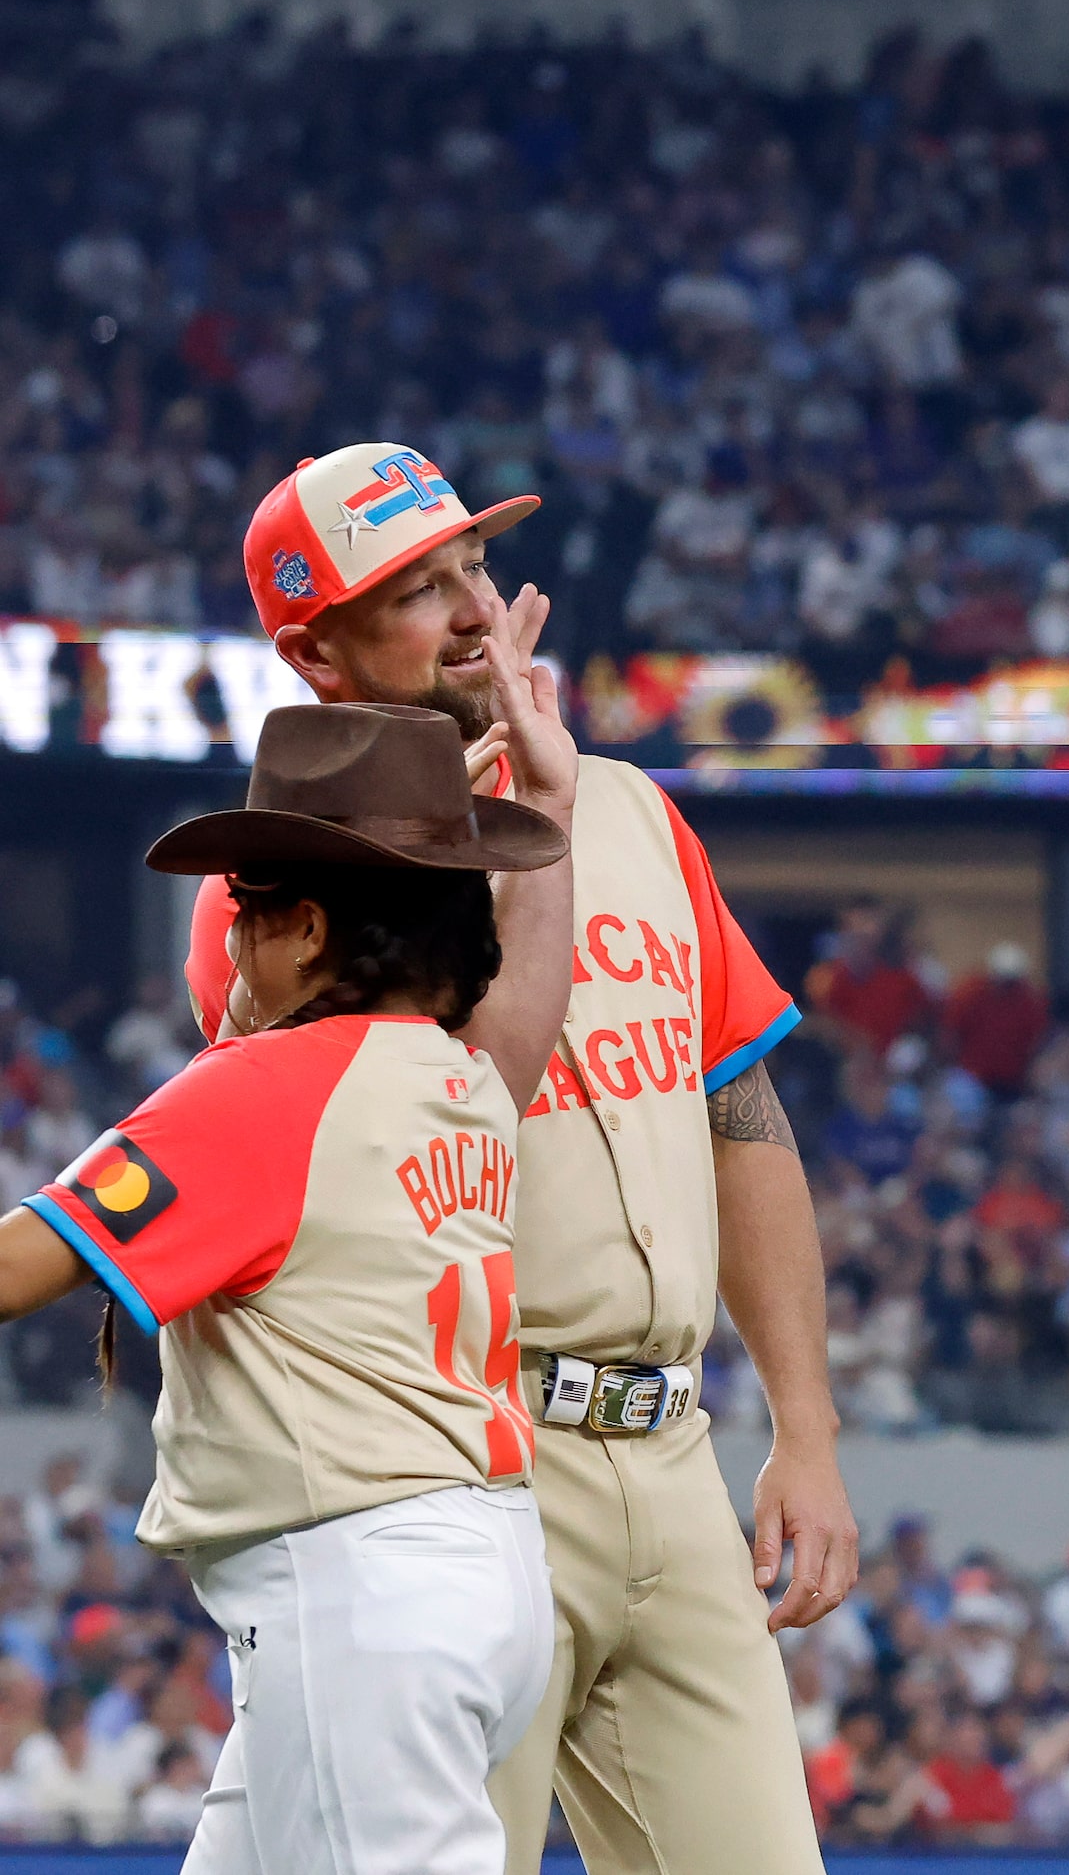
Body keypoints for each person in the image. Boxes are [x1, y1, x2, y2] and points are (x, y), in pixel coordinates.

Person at [185, 442, 855, 1875]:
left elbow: (737, 1114)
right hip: (455, 1465)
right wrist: (499, 826)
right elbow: (401, 1108)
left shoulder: (628, 810)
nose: (475, 609)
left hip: (670, 1452)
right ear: (320, 652)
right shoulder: (291, 886)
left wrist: (804, 1426)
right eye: (419, 591)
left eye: (474, 565)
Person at [0, 702, 570, 1873]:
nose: (235, 940)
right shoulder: (467, 1075)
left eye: (250, 909)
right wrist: (538, 818)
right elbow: (525, 997)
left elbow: (16, 1268)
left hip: (365, 1590)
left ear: (306, 931)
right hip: (474, 1571)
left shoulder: (270, 1087)